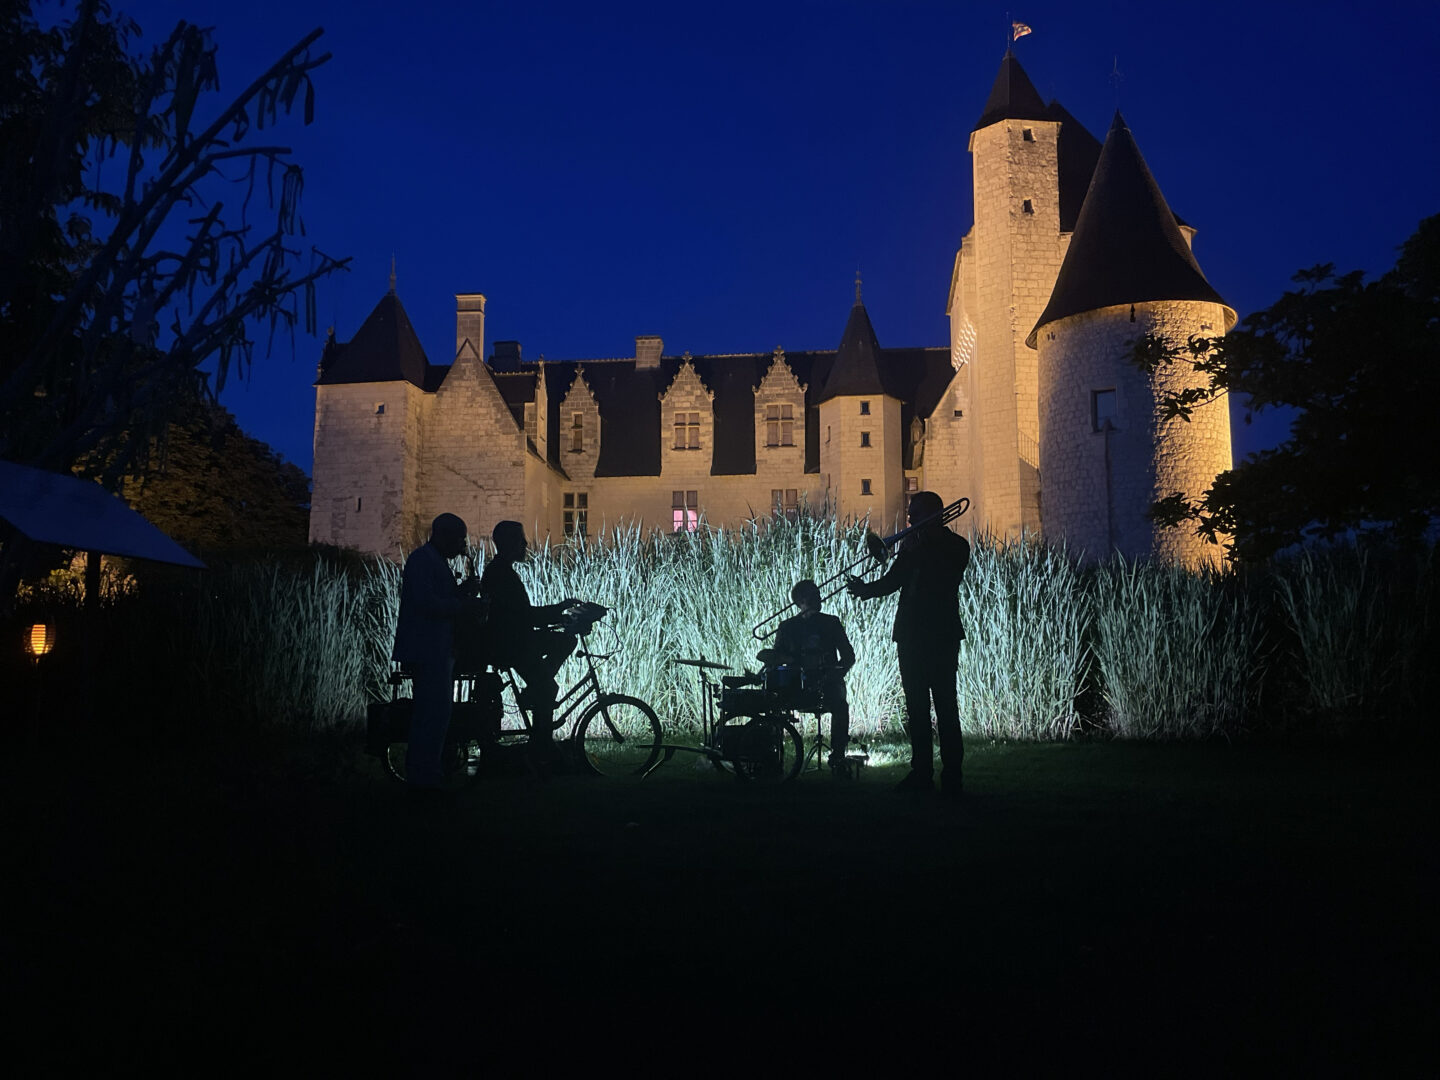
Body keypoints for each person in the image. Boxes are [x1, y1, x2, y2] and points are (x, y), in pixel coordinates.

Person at [847, 491, 970, 798]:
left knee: (945, 706)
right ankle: (922, 773)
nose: (910, 520)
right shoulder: (914, 546)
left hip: (936, 634)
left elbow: (938, 577)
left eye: (915, 514)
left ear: (932, 514)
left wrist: (916, 547)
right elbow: (894, 581)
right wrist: (864, 590)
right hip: (914, 634)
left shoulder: (954, 546)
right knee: (916, 707)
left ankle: (951, 775)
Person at [392, 513, 483, 793]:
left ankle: (427, 775)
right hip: (428, 649)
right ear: (443, 535)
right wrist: (464, 605)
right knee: (431, 715)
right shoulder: (423, 560)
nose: (462, 546)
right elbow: (427, 603)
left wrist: (460, 592)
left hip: (435, 649)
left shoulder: (432, 560)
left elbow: (437, 598)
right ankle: (424, 779)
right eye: (459, 539)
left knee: (435, 714)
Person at [479, 520, 577, 765]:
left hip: (513, 640)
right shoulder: (502, 575)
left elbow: (521, 615)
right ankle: (542, 747)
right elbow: (523, 616)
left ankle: (541, 740)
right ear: (510, 543)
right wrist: (558, 612)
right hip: (513, 644)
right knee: (548, 682)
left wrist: (557, 613)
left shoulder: (498, 571)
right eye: (520, 539)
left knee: (550, 673)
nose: (525, 544)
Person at [772, 578, 855, 774]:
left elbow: (848, 656)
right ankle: (774, 759)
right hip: (795, 686)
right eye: (813, 594)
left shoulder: (831, 623)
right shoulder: (787, 626)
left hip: (827, 684)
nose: (819, 596)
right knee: (772, 705)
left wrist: (836, 674)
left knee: (840, 706)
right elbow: (776, 657)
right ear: (800, 600)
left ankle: (838, 756)